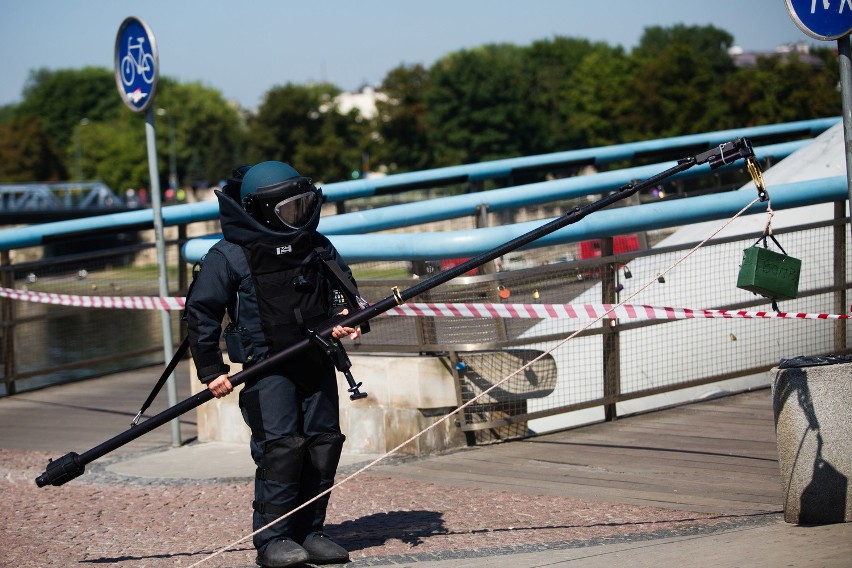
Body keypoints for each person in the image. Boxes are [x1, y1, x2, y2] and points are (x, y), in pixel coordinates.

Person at [186, 161, 361, 567]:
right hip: (267, 371)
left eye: (303, 207)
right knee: (281, 448)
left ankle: (310, 531)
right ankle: (273, 539)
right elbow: (202, 312)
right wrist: (212, 372)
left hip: (316, 360)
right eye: (288, 210)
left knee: (323, 443)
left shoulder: (315, 245)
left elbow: (343, 290)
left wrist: (345, 321)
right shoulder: (230, 255)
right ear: (262, 210)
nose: (298, 218)